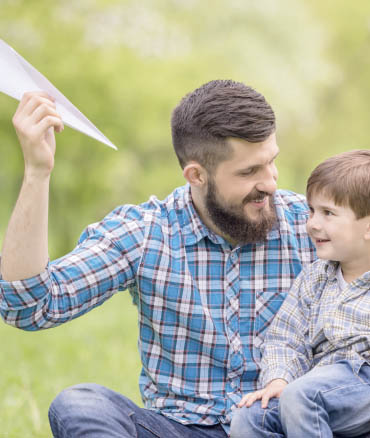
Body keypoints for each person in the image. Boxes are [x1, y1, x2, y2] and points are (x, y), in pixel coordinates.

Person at [0, 80, 316, 438]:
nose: (271, 183)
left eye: (270, 162)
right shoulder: (149, 231)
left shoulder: (310, 225)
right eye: (249, 172)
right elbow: (28, 306)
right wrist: (37, 173)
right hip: (182, 427)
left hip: (283, 427)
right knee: (79, 405)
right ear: (196, 175)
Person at [230, 149, 370, 438]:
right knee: (250, 417)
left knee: (302, 396)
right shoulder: (314, 278)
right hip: (318, 386)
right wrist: (280, 379)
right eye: (312, 211)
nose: (313, 223)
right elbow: (286, 338)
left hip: (362, 384)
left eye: (328, 213)